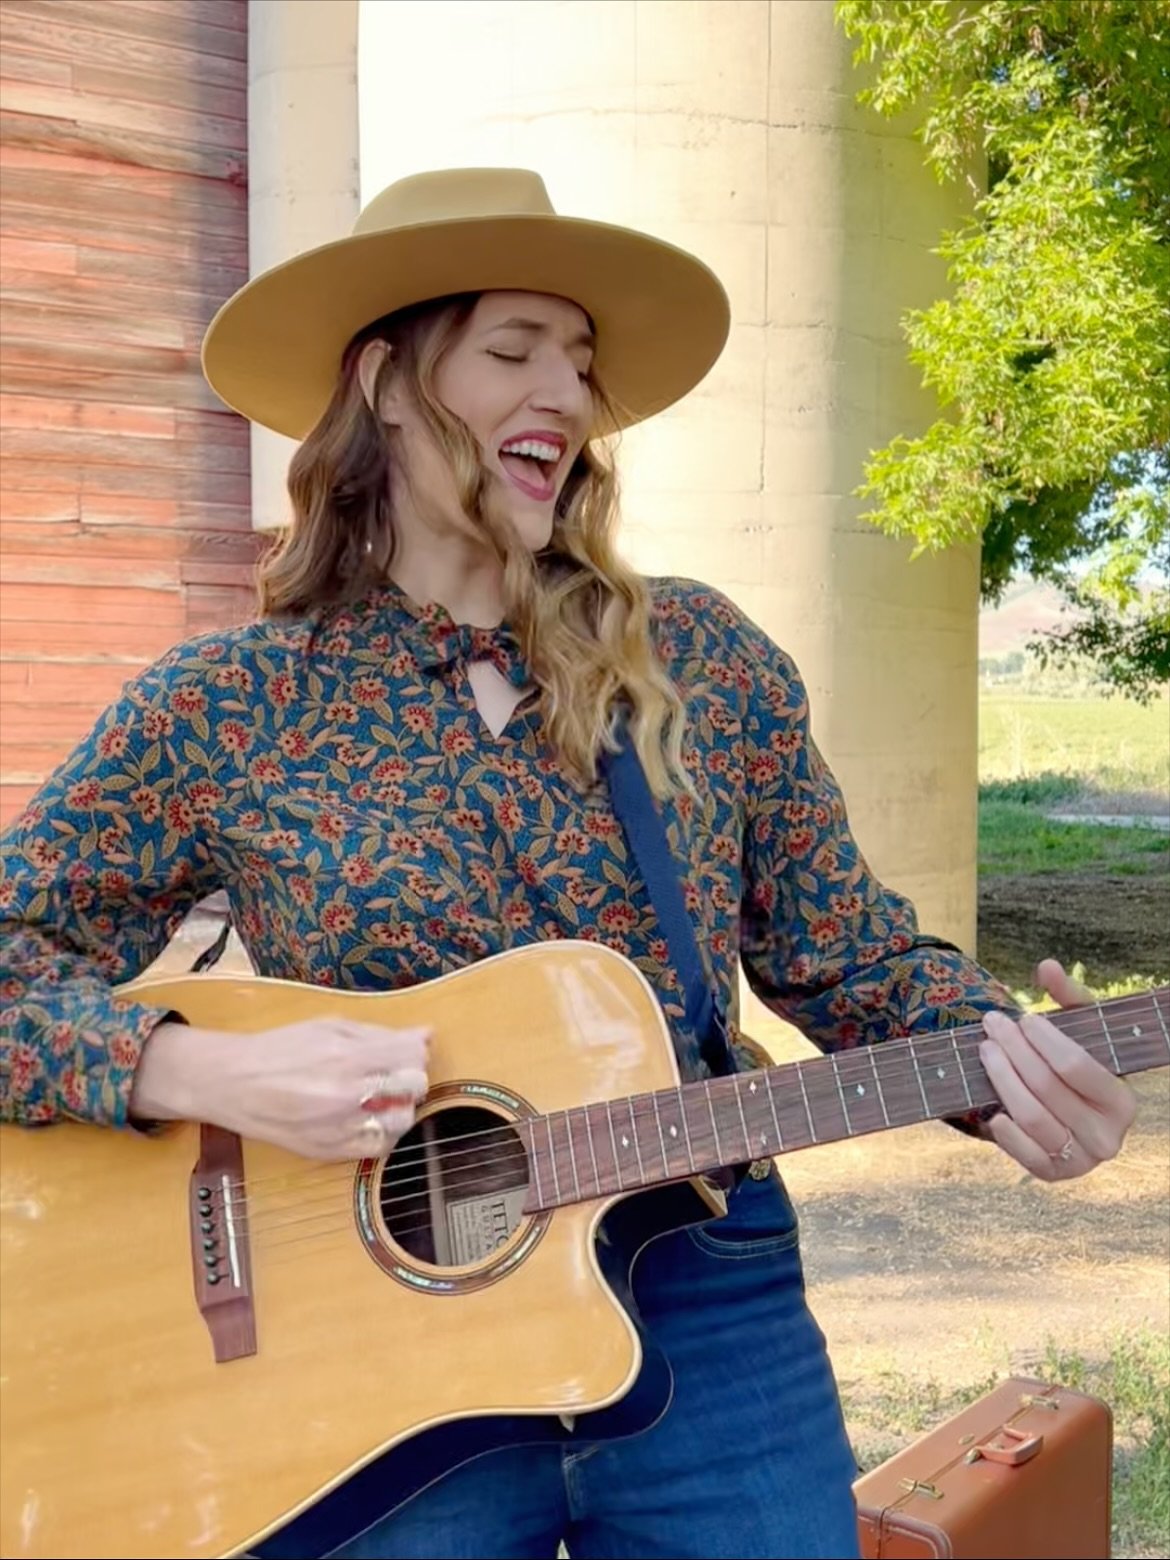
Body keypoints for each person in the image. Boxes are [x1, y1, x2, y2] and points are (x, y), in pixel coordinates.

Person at [0, 168, 1136, 1560]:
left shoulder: (702, 662)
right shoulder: (229, 704)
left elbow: (848, 957)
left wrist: (1010, 1070)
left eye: (582, 362)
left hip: (706, 1298)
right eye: (515, 349)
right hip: (354, 1338)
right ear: (387, 382)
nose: (568, 394)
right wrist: (193, 1070)